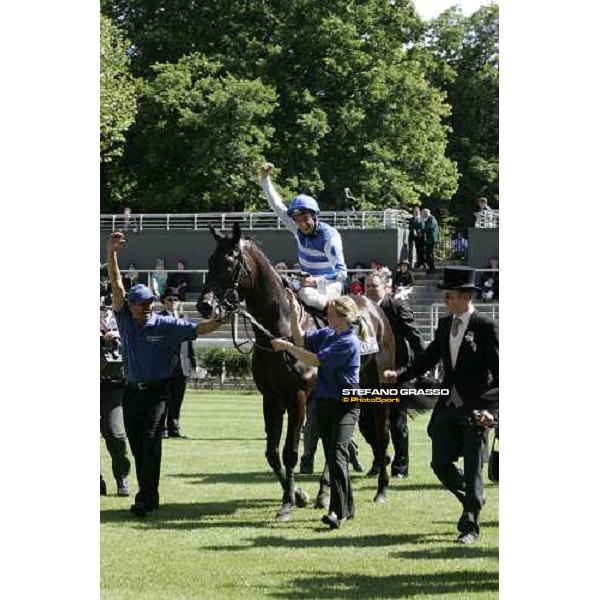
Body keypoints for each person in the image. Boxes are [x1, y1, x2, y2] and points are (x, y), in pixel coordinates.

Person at [105, 231, 224, 517]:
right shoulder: (124, 318)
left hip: (159, 393)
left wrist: (223, 319)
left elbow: (199, 329)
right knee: (136, 446)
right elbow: (117, 284)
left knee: (150, 442)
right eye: (140, 305)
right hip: (132, 392)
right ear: (131, 306)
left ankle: (145, 498)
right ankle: (149, 495)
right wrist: (111, 253)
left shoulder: (165, 323)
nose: (145, 309)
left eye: (149, 305)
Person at [385, 266, 499, 544]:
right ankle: (473, 498)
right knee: (439, 463)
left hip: (477, 411)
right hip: (448, 406)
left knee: (473, 467)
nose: (444, 301)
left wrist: (492, 412)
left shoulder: (485, 327)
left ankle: (470, 526)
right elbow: (429, 358)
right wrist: (400, 375)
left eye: (448, 296)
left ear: (464, 297)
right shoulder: (445, 325)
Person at [271, 292, 366, 529]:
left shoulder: (348, 341)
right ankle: (348, 507)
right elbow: (301, 340)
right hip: (325, 403)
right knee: (336, 458)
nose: (327, 316)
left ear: (343, 317)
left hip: (346, 404)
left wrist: (286, 347)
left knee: (336, 455)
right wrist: (294, 314)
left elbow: (314, 360)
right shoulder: (328, 334)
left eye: (331, 314)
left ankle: (337, 512)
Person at [259, 162, 347, 311]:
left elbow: (341, 273)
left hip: (329, 284)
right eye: (298, 220)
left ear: (315, 216)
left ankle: (333, 320)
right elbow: (278, 206)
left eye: (305, 218)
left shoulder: (329, 238)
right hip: (305, 282)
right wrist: (265, 180)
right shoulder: (297, 229)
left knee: (306, 294)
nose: (302, 224)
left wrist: (316, 281)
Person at [364, 272, 425, 479]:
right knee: (366, 422)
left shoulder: (397, 307)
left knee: (397, 423)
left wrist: (420, 367)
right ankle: (379, 458)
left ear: (385, 288)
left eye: (374, 286)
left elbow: (414, 336)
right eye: (368, 286)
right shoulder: (359, 310)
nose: (371, 289)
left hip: (397, 373)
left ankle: (400, 467)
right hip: (369, 377)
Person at [158, 288, 198, 438]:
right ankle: (162, 429)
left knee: (177, 399)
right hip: (165, 366)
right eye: (170, 299)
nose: (173, 302)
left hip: (182, 365)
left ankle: (174, 428)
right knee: (164, 399)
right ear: (163, 302)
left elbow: (189, 341)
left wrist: (194, 362)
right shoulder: (158, 318)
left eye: (175, 300)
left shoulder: (184, 317)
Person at [100, 310, 131, 497]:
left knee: (116, 434)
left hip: (113, 387)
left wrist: (121, 335)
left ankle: (121, 477)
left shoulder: (120, 319)